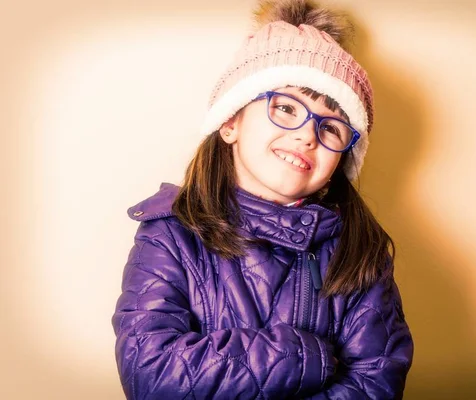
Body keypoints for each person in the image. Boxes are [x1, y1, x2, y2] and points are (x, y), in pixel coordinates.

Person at [112, 0, 413, 398]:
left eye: (333, 128)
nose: (308, 135)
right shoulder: (168, 234)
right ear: (231, 121)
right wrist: (303, 357)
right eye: (286, 108)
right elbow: (149, 372)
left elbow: (376, 381)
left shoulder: (360, 254)